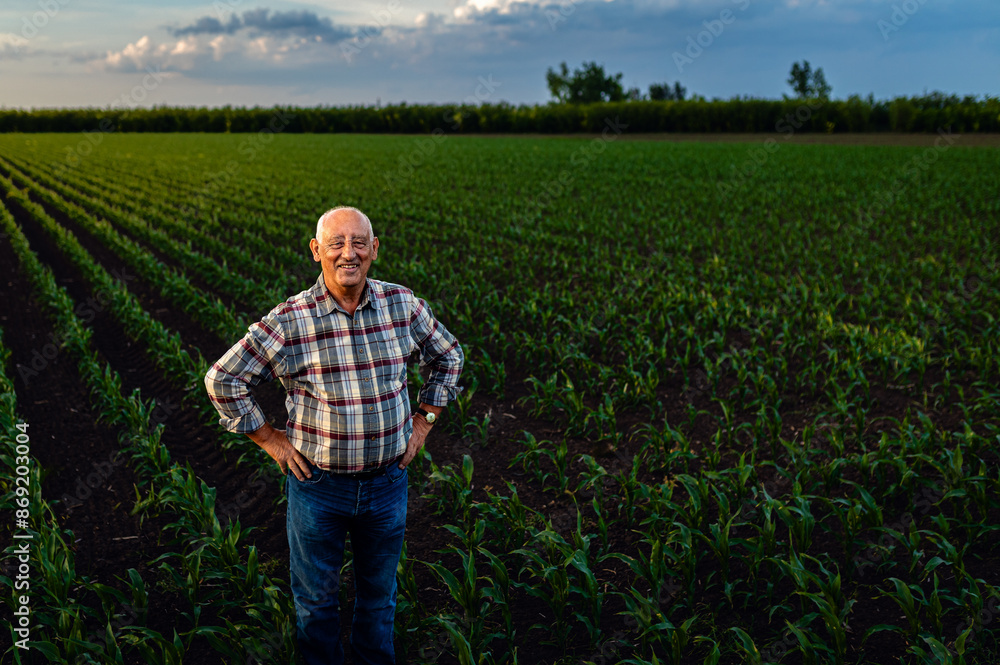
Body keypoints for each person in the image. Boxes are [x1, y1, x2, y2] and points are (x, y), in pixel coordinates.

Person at [204, 206, 464, 664]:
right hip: (318, 488)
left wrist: (424, 420)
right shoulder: (291, 319)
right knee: (316, 605)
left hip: (387, 484)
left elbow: (449, 356)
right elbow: (223, 379)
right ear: (316, 250)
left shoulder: (402, 306)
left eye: (359, 242)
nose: (349, 253)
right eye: (337, 243)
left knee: (379, 601)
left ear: (374, 249)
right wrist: (269, 439)